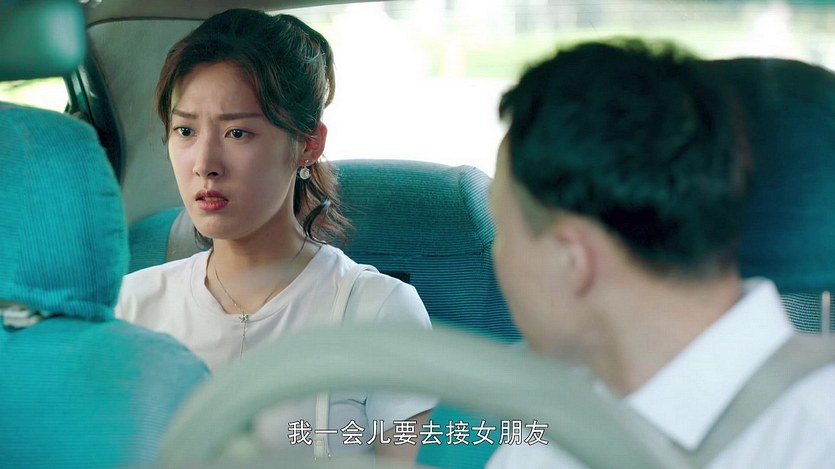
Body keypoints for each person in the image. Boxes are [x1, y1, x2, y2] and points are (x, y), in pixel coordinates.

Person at [485, 39, 835, 468]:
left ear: (572, 259)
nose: (497, 259)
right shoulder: (553, 435)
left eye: (502, 232)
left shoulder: (818, 433)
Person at [115, 9, 433, 461]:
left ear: (308, 145)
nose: (204, 163)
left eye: (237, 132)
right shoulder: (131, 308)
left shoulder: (377, 311)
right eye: (185, 130)